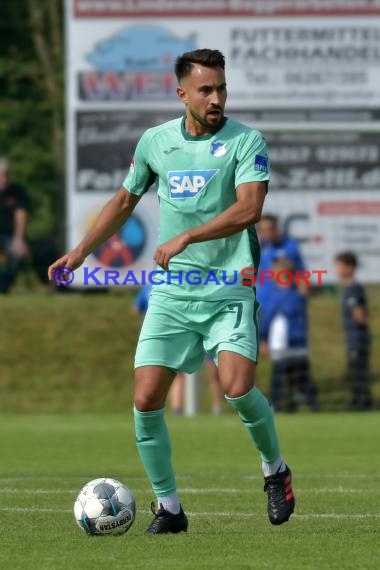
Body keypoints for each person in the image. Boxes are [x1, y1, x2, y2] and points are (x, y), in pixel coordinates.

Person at [49, 49, 295, 535]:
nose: (217, 98)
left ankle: (276, 471)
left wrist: (187, 235)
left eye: (221, 88)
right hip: (172, 293)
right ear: (182, 93)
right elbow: (124, 200)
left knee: (238, 389)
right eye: (206, 90)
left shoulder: (246, 141)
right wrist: (80, 253)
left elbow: (249, 210)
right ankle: (170, 509)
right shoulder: (156, 142)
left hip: (228, 287)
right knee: (145, 399)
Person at [260, 258, 319, 413]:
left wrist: (263, 339)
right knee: (302, 378)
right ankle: (312, 406)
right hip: (300, 343)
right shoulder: (299, 295)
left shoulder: (277, 297)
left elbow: (267, 320)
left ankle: (277, 406)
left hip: (282, 345)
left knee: (279, 377)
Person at [132, 284, 186, 415]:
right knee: (176, 373)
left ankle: (156, 406)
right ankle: (176, 408)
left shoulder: (147, 289)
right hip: (174, 332)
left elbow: (136, 309)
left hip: (152, 336)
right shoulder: (176, 286)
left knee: (151, 372)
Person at [335, 252, 372, 411]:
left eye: (339, 266)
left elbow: (359, 314)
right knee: (355, 371)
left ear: (350, 267)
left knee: (358, 372)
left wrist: (363, 328)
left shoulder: (354, 289)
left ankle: (362, 403)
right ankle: (360, 401)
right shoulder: (347, 288)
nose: (337, 269)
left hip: (357, 338)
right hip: (353, 338)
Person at [0, 157, 29, 293]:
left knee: (18, 252)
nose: (3, 178)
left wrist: (19, 239)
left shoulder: (17, 191)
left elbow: (21, 215)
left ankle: (4, 285)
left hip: (9, 237)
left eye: (6, 174)